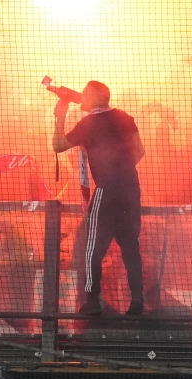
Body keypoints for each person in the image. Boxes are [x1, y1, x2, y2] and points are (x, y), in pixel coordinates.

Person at [53, 80, 145, 317]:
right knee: (130, 247)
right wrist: (122, 169)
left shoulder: (88, 122)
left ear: (95, 95)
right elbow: (140, 150)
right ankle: (137, 301)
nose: (81, 97)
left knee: (92, 247)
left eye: (84, 93)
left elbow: (58, 145)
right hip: (131, 189)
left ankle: (92, 301)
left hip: (106, 190)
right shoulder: (125, 117)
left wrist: (60, 116)